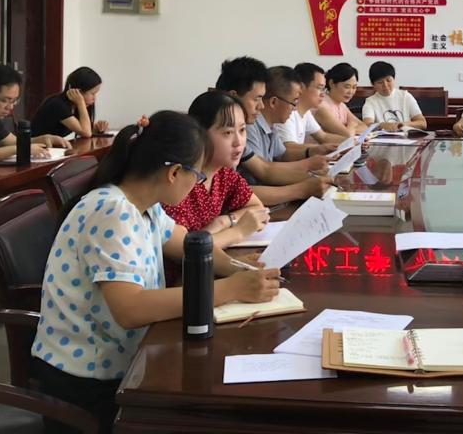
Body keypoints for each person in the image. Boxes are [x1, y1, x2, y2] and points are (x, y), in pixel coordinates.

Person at [31, 111, 280, 433]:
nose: (198, 184)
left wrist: (243, 268)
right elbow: (130, 309)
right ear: (174, 172)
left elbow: (188, 245)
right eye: (197, 175)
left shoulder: (146, 206)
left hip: (126, 360)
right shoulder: (112, 212)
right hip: (87, 382)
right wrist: (231, 289)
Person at [215, 56, 332, 204]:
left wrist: (314, 174)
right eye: (256, 99)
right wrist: (303, 186)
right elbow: (263, 173)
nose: (261, 106)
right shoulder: (234, 131)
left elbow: (271, 164)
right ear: (233, 97)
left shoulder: (241, 129)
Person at [164, 91, 269, 249]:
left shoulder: (224, 174)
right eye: (228, 133)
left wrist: (224, 221)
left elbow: (258, 209)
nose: (239, 142)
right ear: (200, 134)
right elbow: (187, 249)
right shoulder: (179, 179)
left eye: (242, 130)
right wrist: (238, 231)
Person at [274, 62, 345, 149]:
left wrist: (351, 142)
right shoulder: (287, 112)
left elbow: (323, 137)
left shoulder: (306, 111)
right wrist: (319, 149)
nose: (323, 94)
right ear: (301, 87)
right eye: (319, 88)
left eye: (324, 89)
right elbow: (288, 148)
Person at [32, 66, 110, 139]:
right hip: (35, 146)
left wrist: (97, 128)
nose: (94, 98)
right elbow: (86, 132)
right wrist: (81, 103)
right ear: (78, 91)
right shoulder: (57, 104)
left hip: (50, 147)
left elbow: (86, 130)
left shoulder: (74, 106)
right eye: (92, 93)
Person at [361, 61, 427, 132]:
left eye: (388, 80)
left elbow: (422, 123)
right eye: (380, 82)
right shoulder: (370, 102)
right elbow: (367, 125)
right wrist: (382, 125)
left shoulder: (405, 96)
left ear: (394, 79)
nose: (385, 85)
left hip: (406, 137)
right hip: (382, 138)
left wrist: (401, 125)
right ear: (372, 84)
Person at [314, 62, 367, 138]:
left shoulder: (342, 105)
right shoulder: (321, 105)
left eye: (354, 87)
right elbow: (346, 135)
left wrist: (349, 128)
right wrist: (351, 125)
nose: (351, 92)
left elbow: (364, 127)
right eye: (347, 87)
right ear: (332, 83)